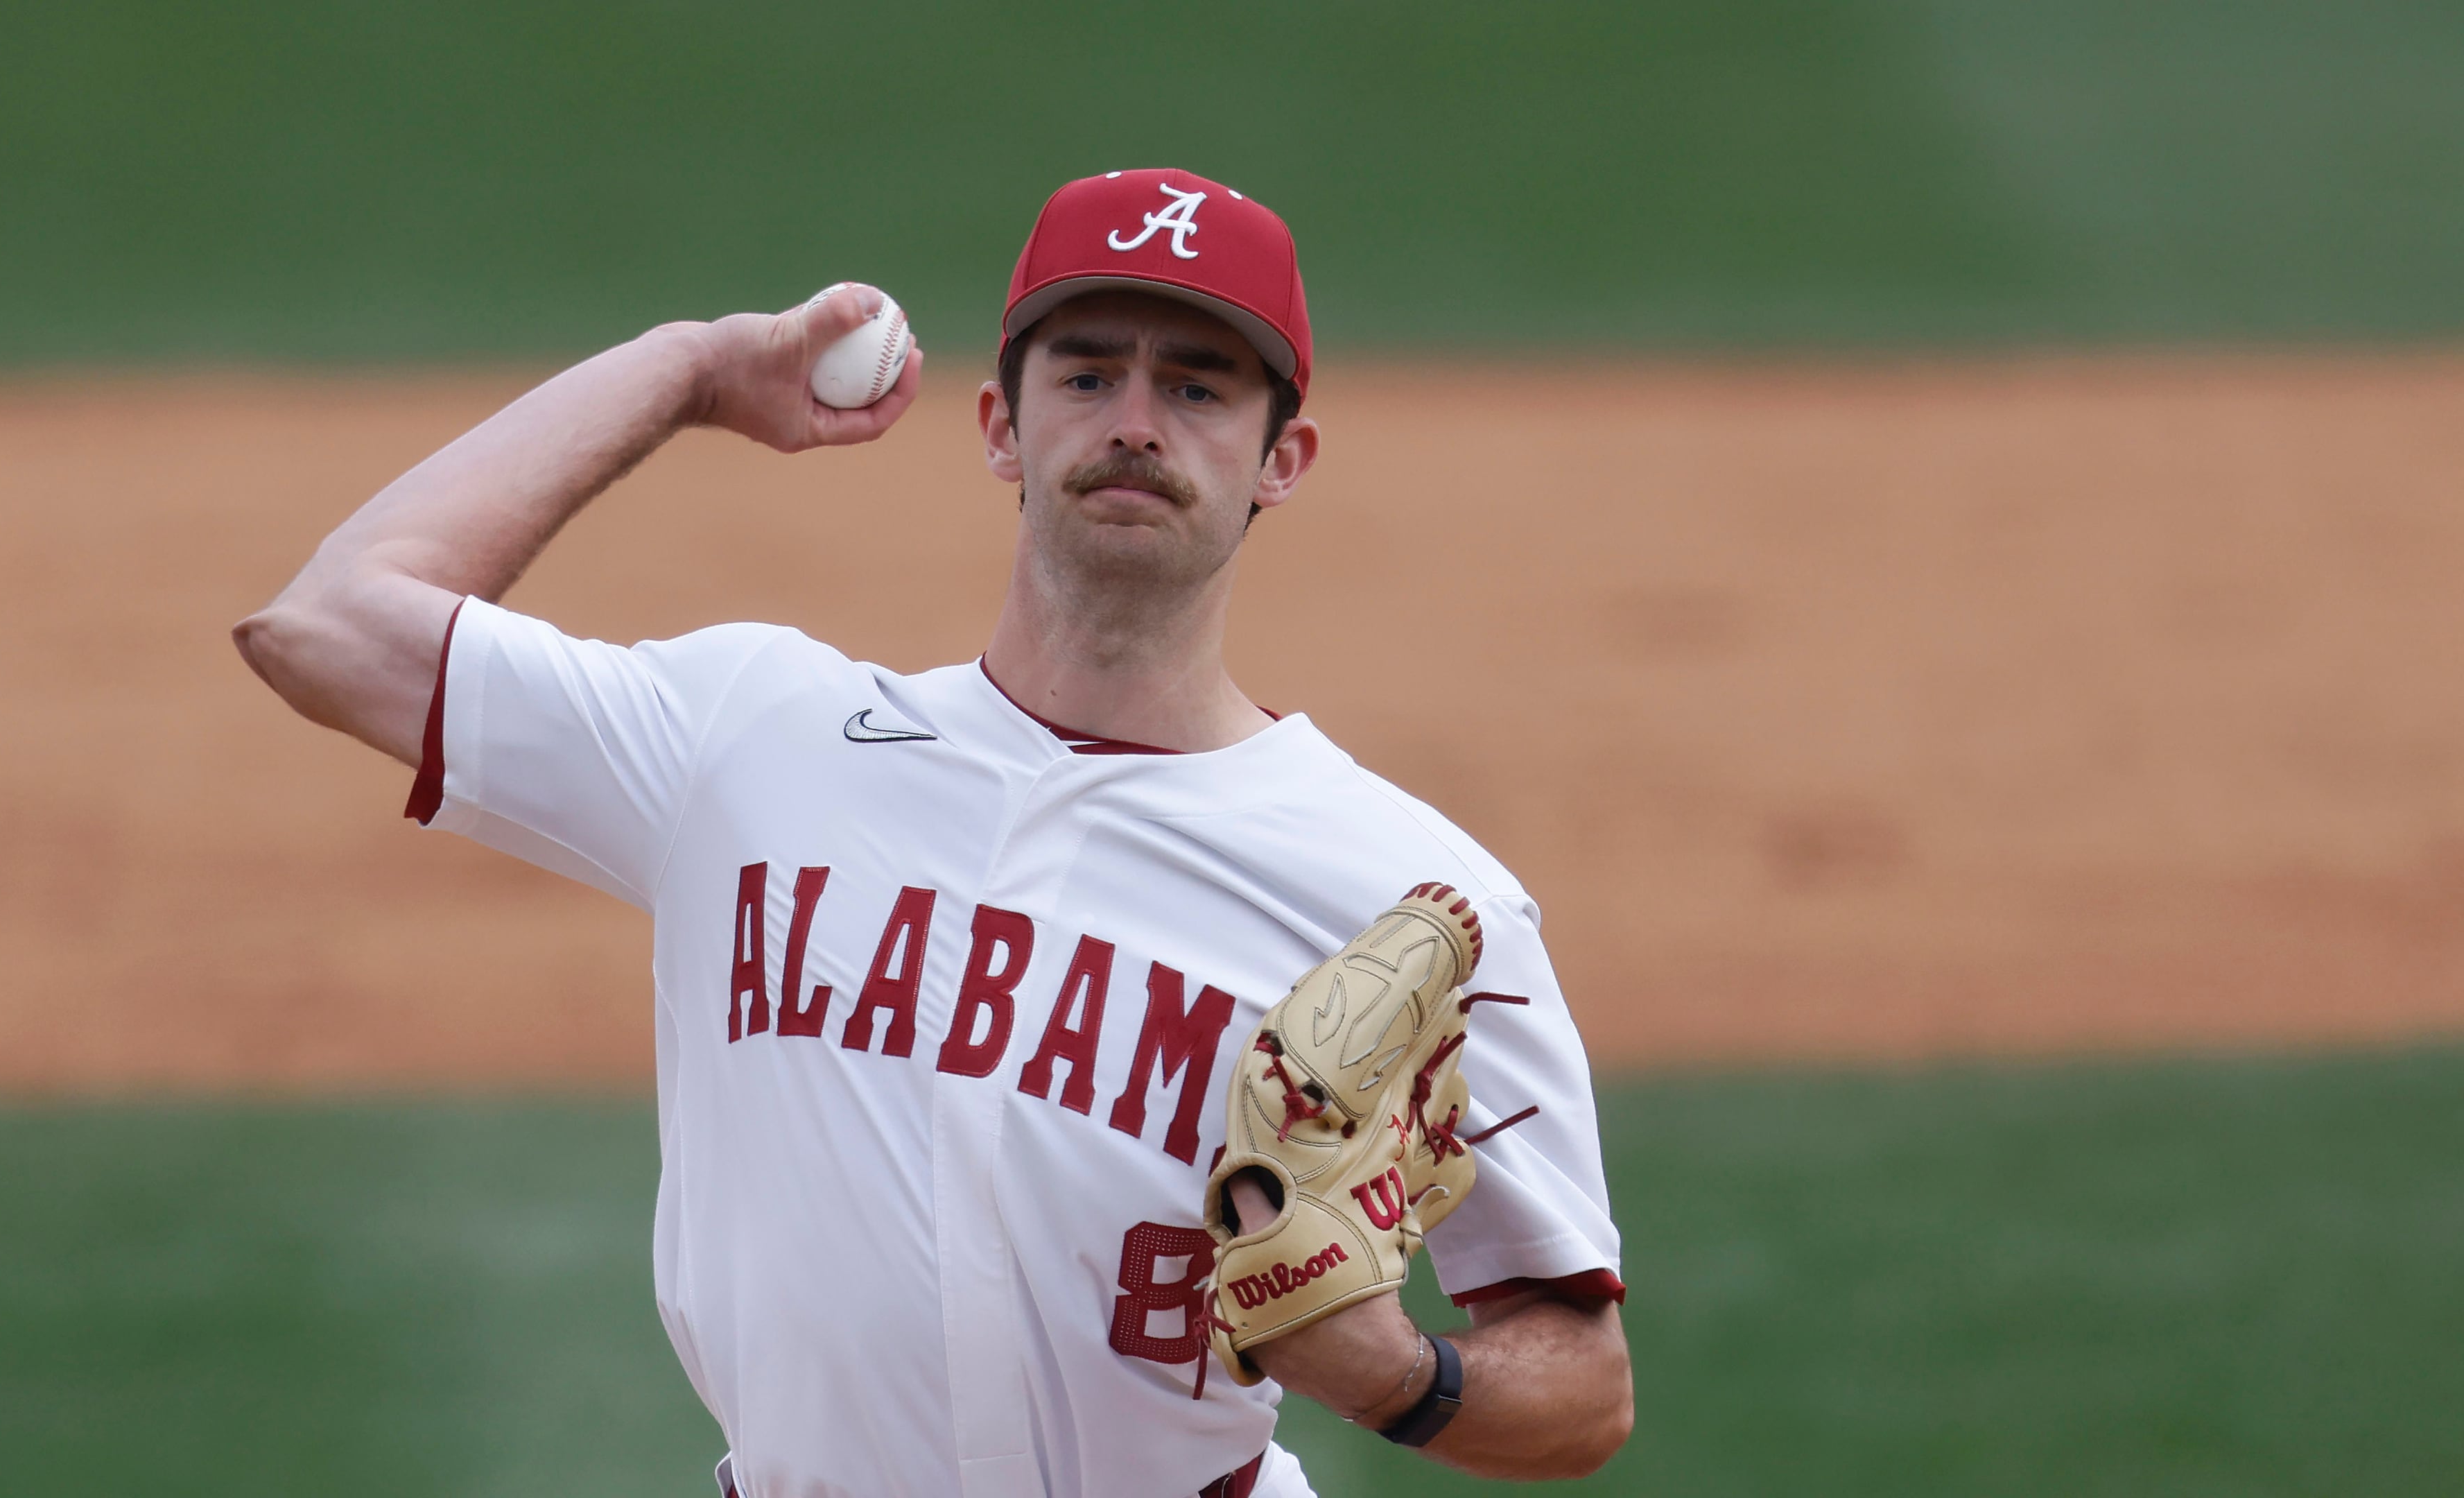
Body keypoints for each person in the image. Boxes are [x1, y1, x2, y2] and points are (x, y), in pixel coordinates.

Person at [234, 168, 1631, 1497]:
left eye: (1198, 386)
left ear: (1284, 459)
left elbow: (1582, 1380)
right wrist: (690, 371)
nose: (1136, 421)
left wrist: (1401, 1378)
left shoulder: (1410, 899)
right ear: (1001, 430)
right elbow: (328, 625)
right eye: (1087, 374)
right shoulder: (751, 737)